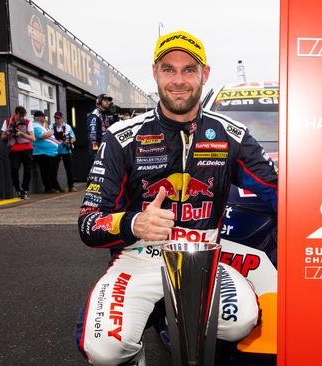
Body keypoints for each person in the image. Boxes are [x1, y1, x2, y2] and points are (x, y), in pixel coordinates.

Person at [75, 30, 278, 365]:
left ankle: (175, 317)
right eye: (169, 69)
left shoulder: (231, 135)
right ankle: (136, 346)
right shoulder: (121, 138)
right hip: (138, 260)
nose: (179, 80)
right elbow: (88, 223)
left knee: (240, 319)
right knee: (104, 349)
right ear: (155, 73)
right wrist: (134, 223)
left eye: (189, 70)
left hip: (205, 261)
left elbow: (277, 192)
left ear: (205, 74)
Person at [0, 106, 35, 199]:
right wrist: (7, 133)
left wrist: (22, 134)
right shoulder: (7, 122)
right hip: (14, 149)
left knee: (27, 170)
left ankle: (25, 190)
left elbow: (33, 138)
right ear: (15, 113)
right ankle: (17, 188)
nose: (21, 118)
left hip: (27, 148)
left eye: (23, 116)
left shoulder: (28, 122)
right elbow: (2, 137)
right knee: (14, 169)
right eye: (20, 116)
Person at [32, 111, 61, 193]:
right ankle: (48, 188)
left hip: (49, 152)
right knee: (45, 171)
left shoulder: (42, 126)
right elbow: (41, 136)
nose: (44, 118)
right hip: (42, 152)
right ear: (37, 117)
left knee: (50, 171)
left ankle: (53, 187)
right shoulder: (35, 125)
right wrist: (51, 132)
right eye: (42, 116)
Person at [52, 111, 77, 192]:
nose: (57, 120)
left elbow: (73, 138)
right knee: (54, 170)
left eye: (58, 118)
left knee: (69, 169)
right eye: (55, 118)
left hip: (66, 150)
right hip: (55, 151)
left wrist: (69, 142)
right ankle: (56, 188)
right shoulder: (51, 127)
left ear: (62, 118)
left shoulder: (67, 127)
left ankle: (71, 186)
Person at [87, 93, 113, 159]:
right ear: (99, 102)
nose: (108, 102)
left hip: (105, 147)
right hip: (98, 150)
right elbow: (92, 135)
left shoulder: (105, 114)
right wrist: (95, 151)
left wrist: (114, 115)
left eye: (108, 100)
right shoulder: (95, 115)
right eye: (105, 100)